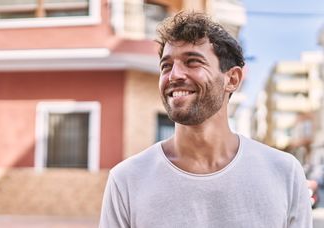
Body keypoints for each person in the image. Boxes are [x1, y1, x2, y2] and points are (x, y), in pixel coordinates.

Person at [99, 11, 312, 228]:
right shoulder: (126, 180)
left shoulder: (284, 172)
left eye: (192, 62)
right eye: (166, 66)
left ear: (232, 79)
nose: (174, 75)